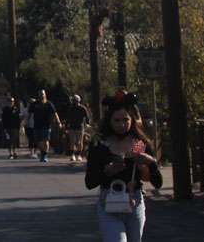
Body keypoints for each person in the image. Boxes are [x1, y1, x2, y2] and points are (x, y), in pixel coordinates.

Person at [84, 92, 163, 242]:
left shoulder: (139, 143)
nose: (121, 125)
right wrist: (107, 171)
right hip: (109, 200)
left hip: (134, 201)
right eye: (117, 120)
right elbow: (89, 182)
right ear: (109, 121)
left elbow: (157, 183)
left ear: (132, 120)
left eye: (125, 120)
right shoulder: (100, 144)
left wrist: (150, 163)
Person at [29, 89, 62, 162]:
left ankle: (45, 155)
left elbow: (55, 113)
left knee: (45, 139)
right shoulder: (35, 104)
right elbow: (29, 113)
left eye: (43, 94)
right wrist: (28, 122)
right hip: (37, 125)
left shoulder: (49, 104)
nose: (42, 95)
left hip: (46, 125)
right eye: (40, 94)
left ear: (45, 95)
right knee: (38, 141)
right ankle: (43, 152)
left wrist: (58, 122)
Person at [65, 94, 92, 161]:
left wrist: (87, 125)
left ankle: (79, 155)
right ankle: (72, 154)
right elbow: (67, 118)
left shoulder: (82, 108)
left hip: (80, 127)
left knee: (80, 142)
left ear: (77, 101)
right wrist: (66, 126)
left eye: (74, 100)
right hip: (72, 127)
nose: (73, 102)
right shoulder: (70, 109)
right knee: (72, 141)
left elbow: (87, 117)